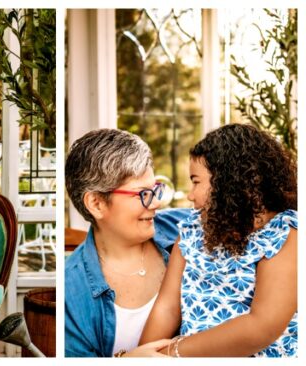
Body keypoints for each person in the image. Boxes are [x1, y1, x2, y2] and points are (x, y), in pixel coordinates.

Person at [140, 124, 297, 357]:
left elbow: (261, 327)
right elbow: (168, 307)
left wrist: (172, 352)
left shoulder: (284, 234)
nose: (191, 195)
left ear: (230, 182)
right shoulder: (192, 229)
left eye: (196, 181)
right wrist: (142, 355)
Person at [63, 128, 190, 357]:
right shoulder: (70, 290)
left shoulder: (187, 228)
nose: (155, 203)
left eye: (155, 189)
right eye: (142, 194)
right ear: (96, 203)